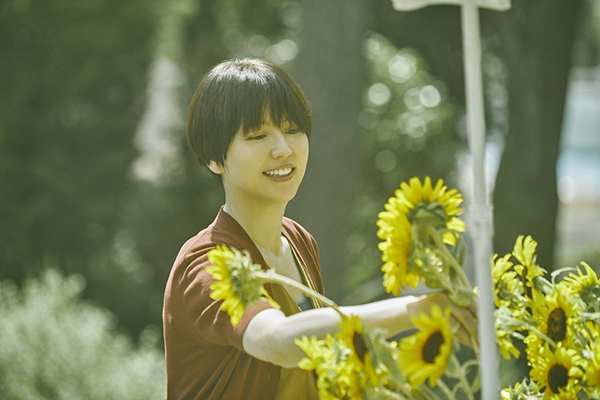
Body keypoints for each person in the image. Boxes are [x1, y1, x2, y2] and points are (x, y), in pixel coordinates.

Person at [162, 58, 477, 400]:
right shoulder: (207, 264)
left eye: (293, 129)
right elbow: (278, 341)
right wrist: (413, 310)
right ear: (214, 159)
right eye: (257, 135)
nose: (283, 149)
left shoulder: (299, 241)